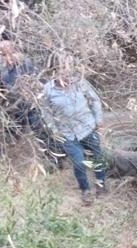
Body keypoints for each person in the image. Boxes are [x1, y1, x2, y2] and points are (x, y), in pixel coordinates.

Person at [43, 61, 106, 205]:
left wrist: (98, 119)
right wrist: (53, 130)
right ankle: (85, 191)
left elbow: (94, 100)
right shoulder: (48, 90)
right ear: (54, 73)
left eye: (68, 72)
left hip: (88, 128)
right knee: (78, 162)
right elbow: (45, 112)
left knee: (98, 157)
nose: (67, 76)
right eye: (62, 72)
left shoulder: (80, 82)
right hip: (67, 133)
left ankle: (101, 185)